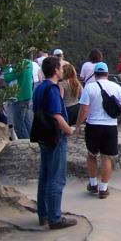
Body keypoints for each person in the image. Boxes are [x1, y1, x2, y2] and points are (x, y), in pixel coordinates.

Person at [32, 56, 77, 229]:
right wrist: (69, 130)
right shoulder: (51, 89)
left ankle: (43, 214)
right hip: (54, 137)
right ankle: (55, 218)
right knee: (56, 178)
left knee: (44, 176)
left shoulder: (40, 87)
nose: (62, 69)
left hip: (43, 135)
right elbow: (56, 115)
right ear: (56, 70)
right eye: (60, 67)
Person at [75, 62, 121, 199]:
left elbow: (84, 109)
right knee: (106, 157)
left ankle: (93, 184)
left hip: (93, 125)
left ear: (95, 74)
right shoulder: (116, 87)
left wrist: (78, 125)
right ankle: (103, 188)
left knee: (92, 155)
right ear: (107, 73)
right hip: (110, 126)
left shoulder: (89, 87)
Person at [3, 57, 34, 139]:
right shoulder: (28, 62)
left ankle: (25, 145)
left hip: (20, 98)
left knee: (18, 124)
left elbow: (7, 78)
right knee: (27, 121)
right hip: (28, 96)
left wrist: (5, 67)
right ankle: (33, 143)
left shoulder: (20, 65)